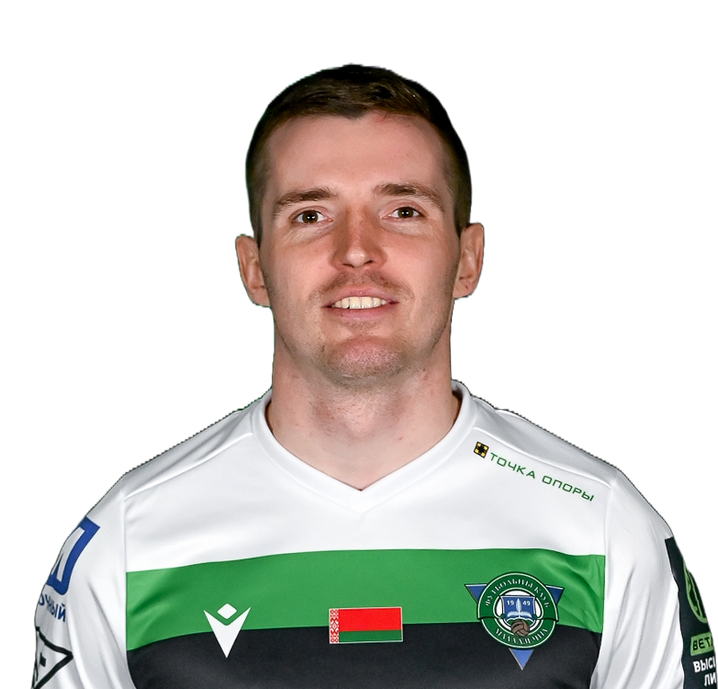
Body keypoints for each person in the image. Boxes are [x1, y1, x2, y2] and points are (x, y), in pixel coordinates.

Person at [32, 63, 714, 689]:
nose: (357, 250)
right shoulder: (127, 543)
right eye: (310, 215)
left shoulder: (601, 529)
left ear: (468, 258)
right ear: (254, 268)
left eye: (403, 211)